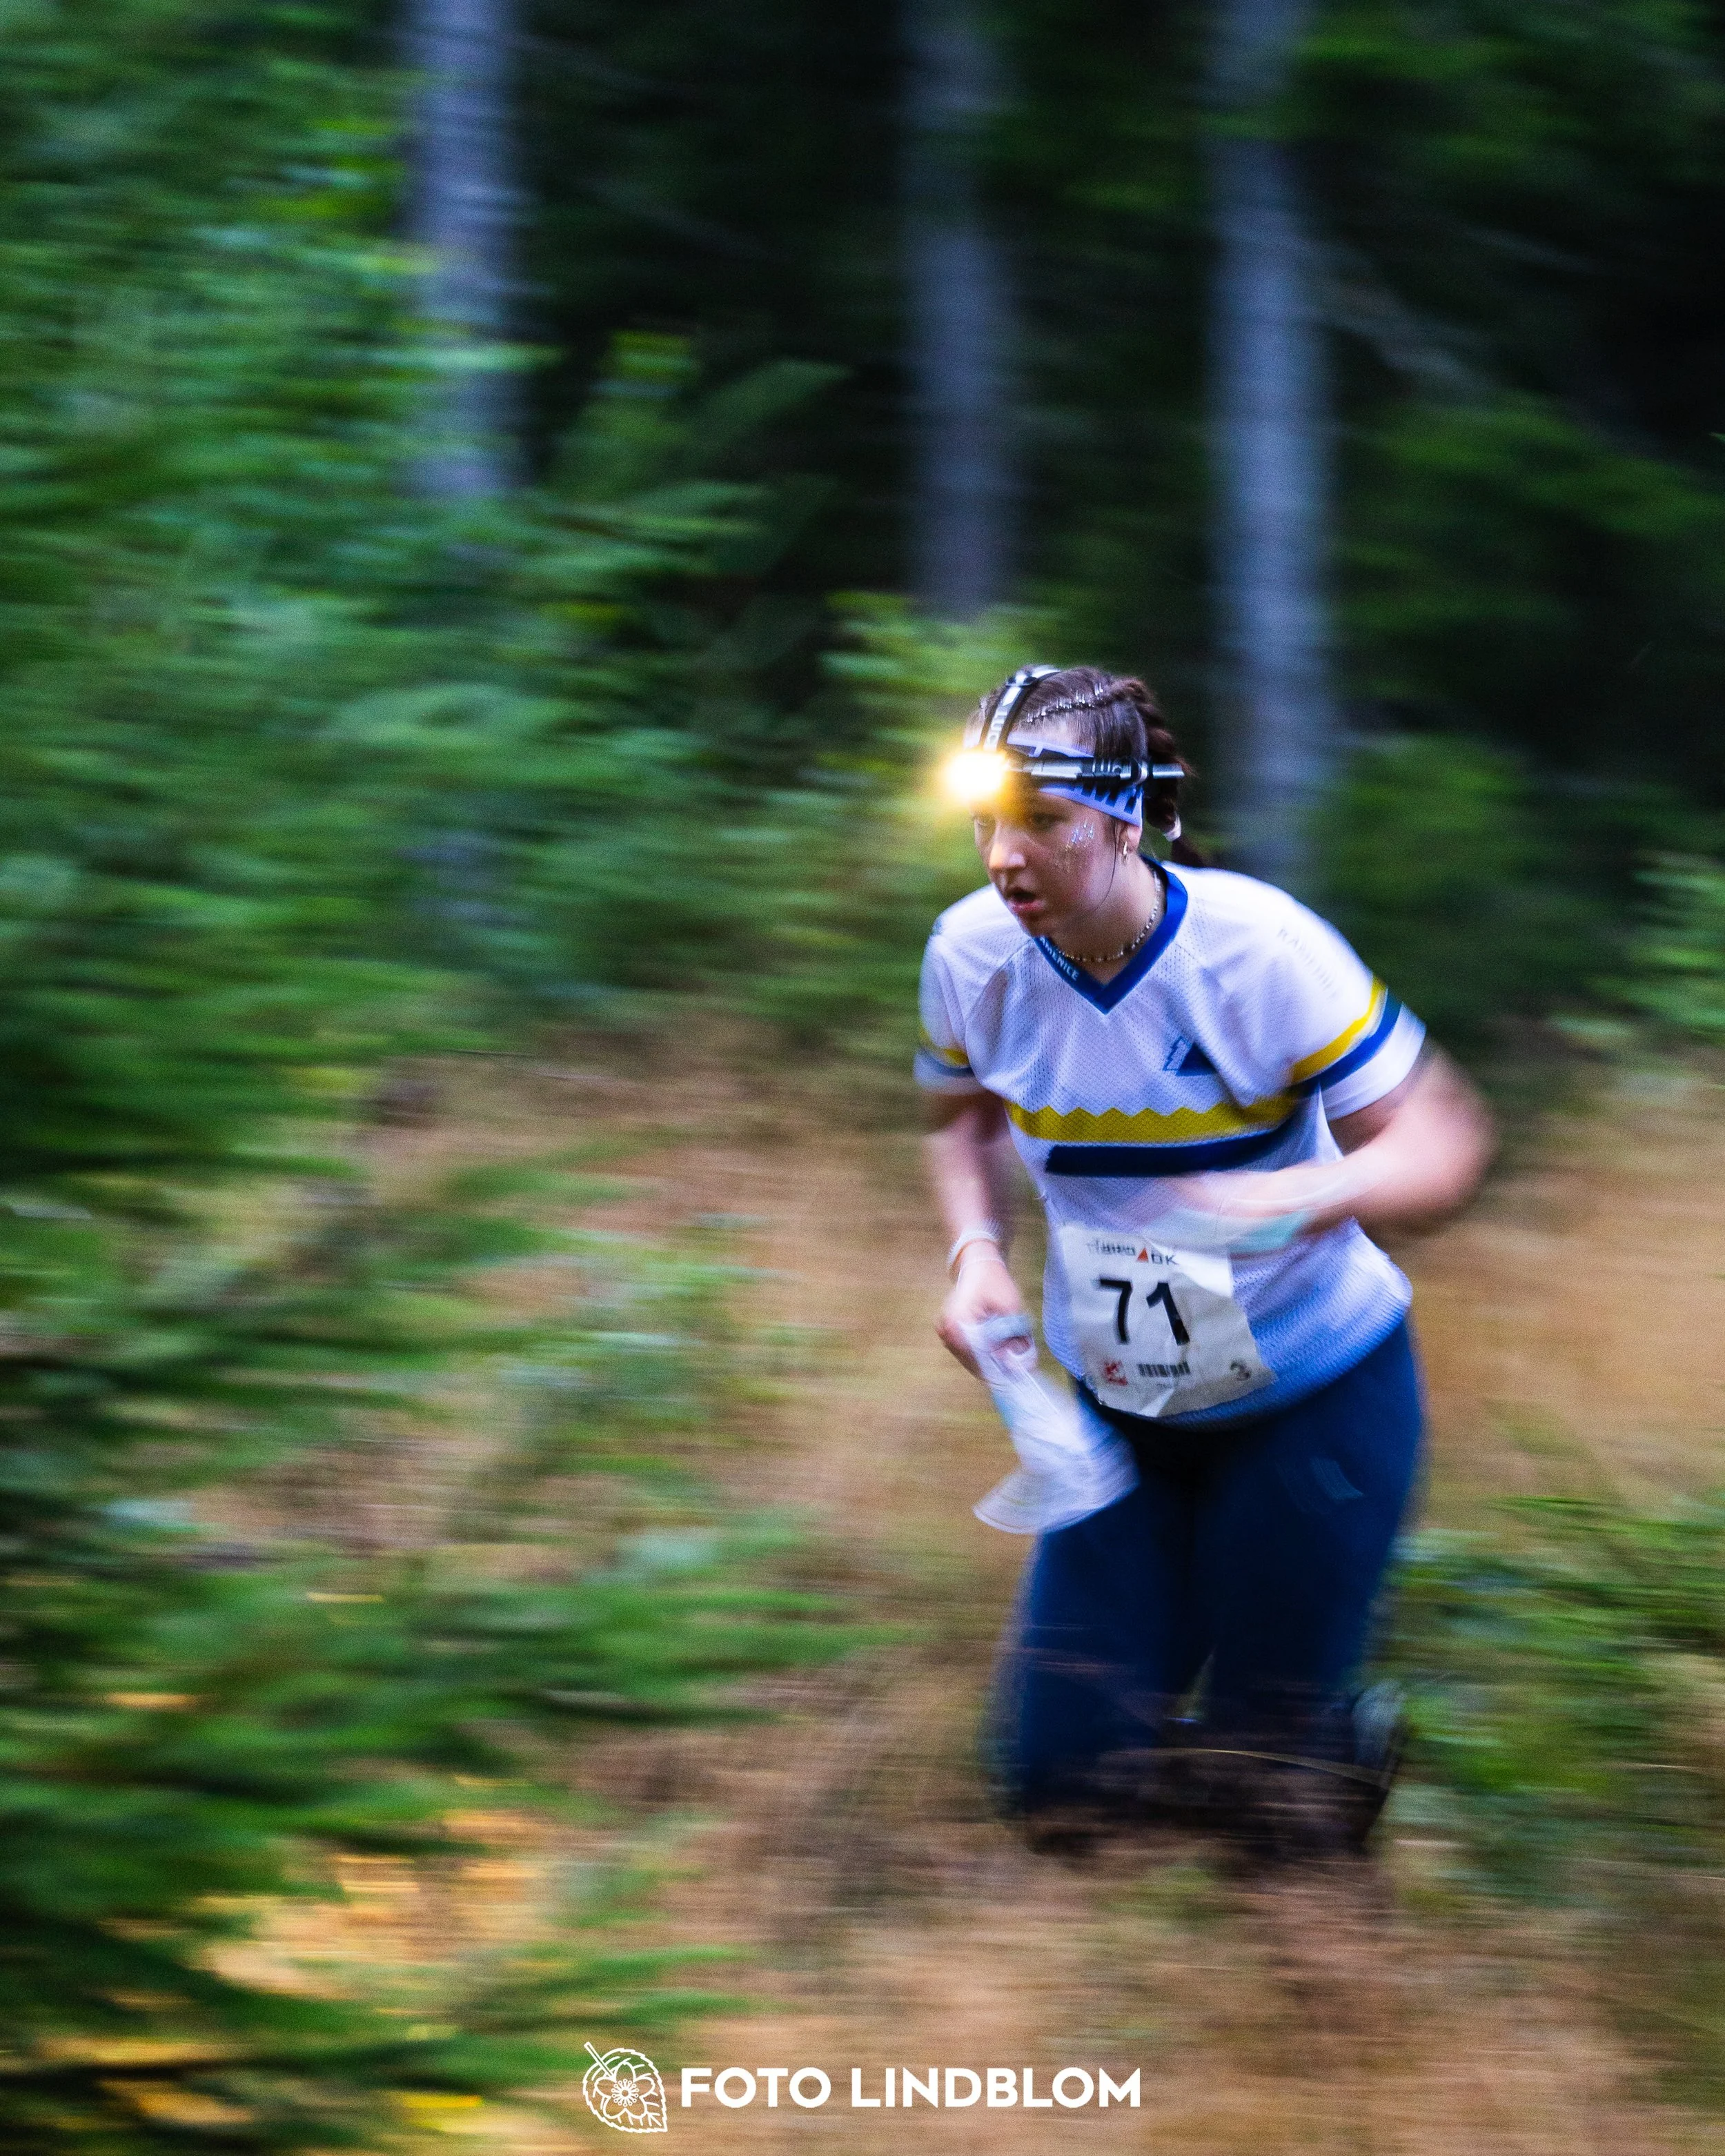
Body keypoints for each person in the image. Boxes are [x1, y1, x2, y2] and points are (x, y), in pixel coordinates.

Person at [918, 664, 1492, 1852]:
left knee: (1269, 1800)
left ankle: (1308, 1785)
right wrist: (976, 1253)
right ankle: (1316, 1765)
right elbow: (960, 1117)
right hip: (1121, 1414)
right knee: (1058, 1794)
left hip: (1314, 1395)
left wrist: (1298, 1196)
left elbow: (1447, 1141)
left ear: (1125, 819)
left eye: (1041, 822)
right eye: (983, 822)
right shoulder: (971, 957)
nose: (1003, 858)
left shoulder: (1259, 949)